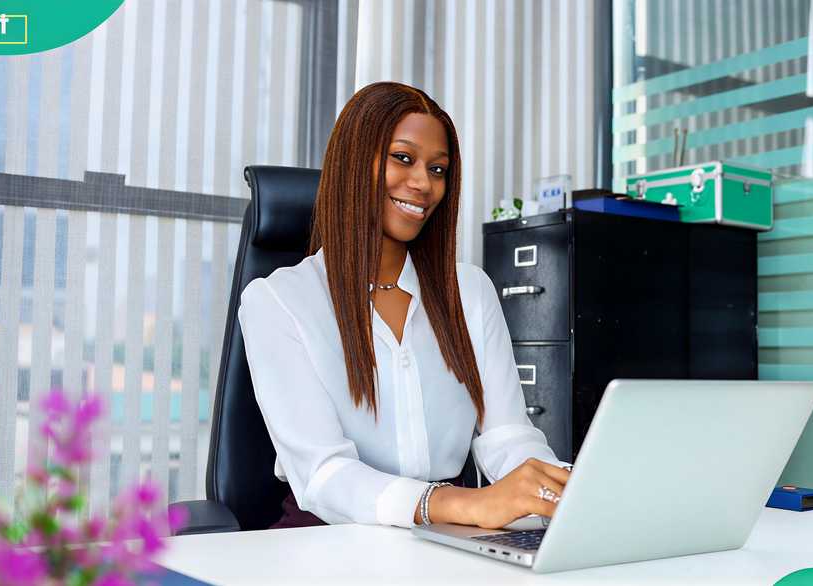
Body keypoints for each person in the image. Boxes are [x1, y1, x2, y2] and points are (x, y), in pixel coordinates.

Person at [238, 81, 570, 530]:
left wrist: (552, 493)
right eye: (404, 158)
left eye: (438, 169)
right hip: (328, 541)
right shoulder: (277, 301)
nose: (423, 184)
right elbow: (323, 475)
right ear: (355, 161)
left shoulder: (470, 290)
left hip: (451, 533)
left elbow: (506, 435)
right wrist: (461, 504)